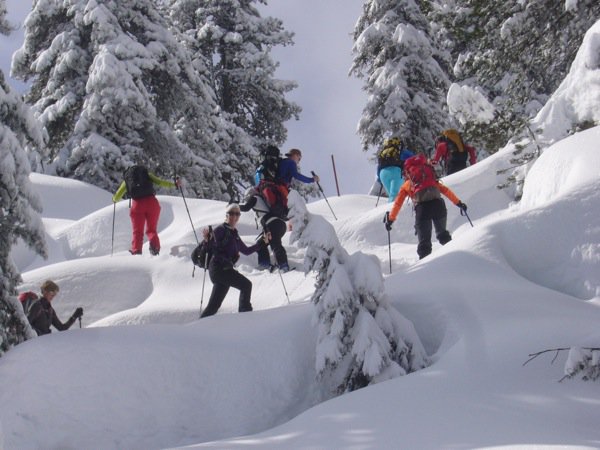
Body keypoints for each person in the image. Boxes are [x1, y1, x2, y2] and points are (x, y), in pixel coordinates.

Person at [384, 154, 467, 260]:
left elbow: (398, 203)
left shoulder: (408, 184)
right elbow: (446, 191)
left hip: (422, 210)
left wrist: (391, 219)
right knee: (443, 235)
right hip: (438, 205)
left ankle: (425, 270)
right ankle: (457, 260)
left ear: (407, 172)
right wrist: (459, 203)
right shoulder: (430, 179)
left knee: (424, 244)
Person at [200, 203, 271, 318]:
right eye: (232, 213)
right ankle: (245, 316)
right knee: (246, 285)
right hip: (219, 269)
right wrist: (208, 239)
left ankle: (198, 326)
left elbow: (246, 251)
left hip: (223, 270)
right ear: (227, 215)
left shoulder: (234, 234)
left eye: (237, 214)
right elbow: (211, 244)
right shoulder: (220, 230)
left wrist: (262, 242)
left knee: (214, 306)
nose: (235, 216)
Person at [112, 165, 181, 255]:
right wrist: (174, 184)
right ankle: (155, 248)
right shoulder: (146, 174)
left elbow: (117, 196)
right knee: (151, 230)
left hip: (137, 206)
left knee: (137, 231)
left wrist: (114, 199)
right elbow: (160, 182)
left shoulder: (127, 180)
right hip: (152, 203)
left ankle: (136, 251)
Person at [240, 186, 289, 272]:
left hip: (272, 224)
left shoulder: (255, 198)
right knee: (260, 244)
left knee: (275, 243)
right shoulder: (261, 200)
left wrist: (234, 205)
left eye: (246, 197)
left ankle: (283, 265)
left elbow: (245, 208)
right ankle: (264, 264)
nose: (246, 200)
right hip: (277, 224)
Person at [376, 137, 415, 203]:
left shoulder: (384, 153)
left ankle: (389, 211)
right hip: (395, 172)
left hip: (382, 174)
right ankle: (393, 211)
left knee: (392, 196)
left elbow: (378, 168)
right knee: (395, 195)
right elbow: (413, 158)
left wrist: (380, 179)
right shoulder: (401, 152)